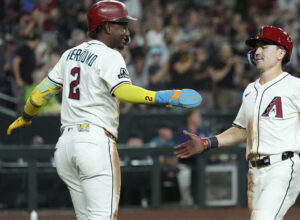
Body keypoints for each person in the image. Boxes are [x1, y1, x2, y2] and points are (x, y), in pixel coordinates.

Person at [6, 1, 201, 219]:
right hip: (93, 144)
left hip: (65, 148)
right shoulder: (110, 55)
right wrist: (161, 96)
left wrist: (26, 116)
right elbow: (123, 92)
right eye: (122, 25)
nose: (126, 32)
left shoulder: (69, 54)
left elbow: (38, 95)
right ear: (107, 27)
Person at [174, 26, 300, 220]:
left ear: (281, 52)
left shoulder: (295, 85)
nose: (257, 51)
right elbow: (241, 130)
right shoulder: (250, 90)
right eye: (256, 47)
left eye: (264, 46)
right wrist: (208, 143)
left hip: (282, 167)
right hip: (254, 173)